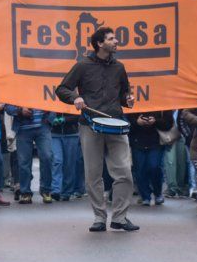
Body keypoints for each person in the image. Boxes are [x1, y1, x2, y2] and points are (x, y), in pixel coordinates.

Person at [55, 27, 138, 232]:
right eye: (111, 39)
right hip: (90, 125)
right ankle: (99, 217)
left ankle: (119, 217)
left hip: (116, 124)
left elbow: (124, 95)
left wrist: (128, 100)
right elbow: (62, 88)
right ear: (100, 44)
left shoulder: (119, 67)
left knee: (124, 172)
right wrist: (76, 98)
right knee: (93, 175)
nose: (116, 41)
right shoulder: (82, 66)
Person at [4, 105, 53, 204]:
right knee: (23, 162)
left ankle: (46, 190)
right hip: (23, 129)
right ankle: (25, 192)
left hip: (43, 126)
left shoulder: (43, 88)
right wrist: (20, 111)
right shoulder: (16, 88)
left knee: (47, 156)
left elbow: (54, 100)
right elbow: (8, 107)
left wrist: (50, 116)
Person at [127, 110, 174, 206]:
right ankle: (145, 196)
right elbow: (125, 121)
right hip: (137, 141)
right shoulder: (132, 100)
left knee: (154, 166)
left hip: (156, 141)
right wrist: (136, 122)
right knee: (139, 169)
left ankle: (157, 193)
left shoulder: (162, 102)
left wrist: (156, 121)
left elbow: (169, 123)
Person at [49, 112, 81, 202]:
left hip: (72, 133)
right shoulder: (51, 97)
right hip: (54, 133)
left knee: (69, 164)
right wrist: (51, 119)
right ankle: (56, 190)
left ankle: (66, 192)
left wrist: (65, 119)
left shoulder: (74, 98)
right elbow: (46, 110)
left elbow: (79, 113)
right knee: (57, 161)